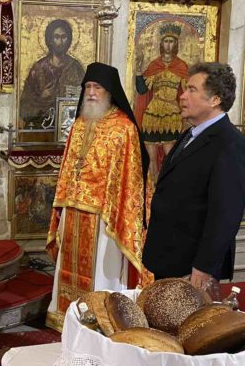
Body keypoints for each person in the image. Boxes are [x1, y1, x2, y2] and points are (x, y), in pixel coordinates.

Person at [45, 62, 149, 331]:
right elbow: (68, 167)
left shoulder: (123, 128)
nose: (91, 92)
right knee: (68, 270)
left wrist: (115, 212)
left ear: (109, 91)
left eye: (97, 87)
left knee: (102, 271)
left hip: (105, 217)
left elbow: (129, 179)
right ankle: (66, 316)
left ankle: (101, 319)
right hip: (73, 210)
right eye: (88, 87)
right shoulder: (80, 124)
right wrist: (63, 203)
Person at [143, 62, 245, 299]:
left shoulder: (230, 144)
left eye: (192, 90)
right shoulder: (190, 134)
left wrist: (204, 266)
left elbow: (225, 214)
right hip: (170, 256)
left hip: (192, 266)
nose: (182, 96)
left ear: (215, 99)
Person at [134, 23, 190, 178]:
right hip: (152, 113)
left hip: (171, 114)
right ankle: (152, 187)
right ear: (161, 43)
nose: (168, 45)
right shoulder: (155, 65)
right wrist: (138, 71)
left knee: (170, 156)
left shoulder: (181, 66)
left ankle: (168, 185)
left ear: (176, 44)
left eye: (171, 41)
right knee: (151, 158)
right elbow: (142, 90)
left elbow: (188, 92)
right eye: (166, 41)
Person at [19, 19, 84, 128]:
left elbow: (85, 99)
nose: (60, 42)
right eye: (56, 37)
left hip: (69, 126)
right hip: (42, 127)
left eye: (64, 37)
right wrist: (41, 98)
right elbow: (24, 107)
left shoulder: (75, 67)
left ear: (69, 40)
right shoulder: (38, 69)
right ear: (50, 40)